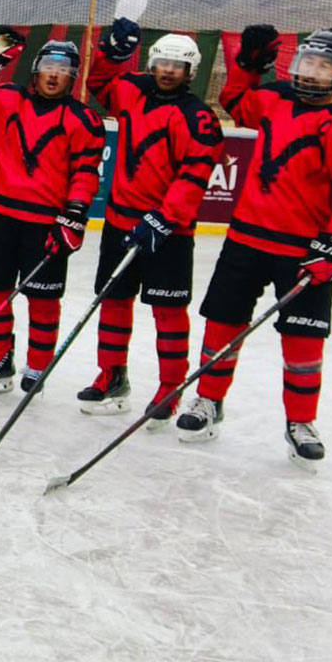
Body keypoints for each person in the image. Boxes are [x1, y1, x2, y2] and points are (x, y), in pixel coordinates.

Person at [176, 25, 332, 467]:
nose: (311, 72)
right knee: (222, 326)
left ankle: (300, 422)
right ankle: (208, 401)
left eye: (323, 65)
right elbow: (235, 102)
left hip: (303, 251)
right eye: (306, 62)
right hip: (246, 239)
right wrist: (247, 67)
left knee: (304, 340)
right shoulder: (273, 98)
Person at [78, 21, 224, 422]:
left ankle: (170, 387)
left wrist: (164, 218)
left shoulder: (200, 117)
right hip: (121, 222)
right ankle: (111, 376)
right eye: (162, 62)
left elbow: (195, 173)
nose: (168, 70)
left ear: (190, 72)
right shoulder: (132, 91)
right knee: (114, 300)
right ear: (151, 63)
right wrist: (114, 51)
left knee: (168, 310)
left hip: (170, 232)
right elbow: (101, 80)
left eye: (178, 66)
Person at [0, 31, 105, 393]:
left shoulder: (85, 120)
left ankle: (38, 366)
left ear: (72, 77)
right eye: (49, 66)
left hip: (47, 222)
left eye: (63, 69)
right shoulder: (6, 99)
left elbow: (85, 172)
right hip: (2, 215)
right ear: (35, 71)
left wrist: (76, 213)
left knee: (43, 299)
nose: (54, 74)